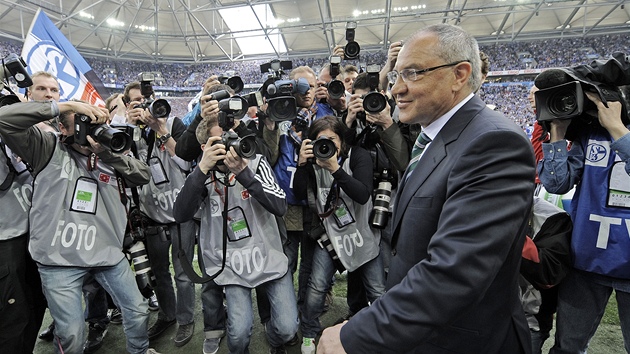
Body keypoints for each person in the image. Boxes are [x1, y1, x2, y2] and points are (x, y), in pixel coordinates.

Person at [317, 23, 535, 354]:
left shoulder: (494, 143)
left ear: (460, 75)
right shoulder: (434, 135)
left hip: (461, 340)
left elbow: (454, 273)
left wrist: (356, 334)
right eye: (395, 77)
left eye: (413, 73)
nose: (395, 90)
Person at [0, 99, 159, 354]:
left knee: (138, 310)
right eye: (85, 121)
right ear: (63, 129)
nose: (95, 127)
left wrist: (108, 154)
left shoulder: (111, 151)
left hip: (106, 252)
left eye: (99, 121)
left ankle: (139, 351)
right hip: (58, 258)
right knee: (72, 334)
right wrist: (65, 106)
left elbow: (143, 175)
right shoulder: (46, 147)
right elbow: (4, 119)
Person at [173, 117, 299, 354]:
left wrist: (243, 173)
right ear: (205, 147)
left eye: (231, 136)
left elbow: (280, 206)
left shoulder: (256, 162)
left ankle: (274, 340)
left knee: (287, 328)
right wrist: (202, 169)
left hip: (267, 255)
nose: (229, 144)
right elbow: (180, 214)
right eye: (220, 140)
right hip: (230, 263)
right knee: (238, 335)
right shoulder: (200, 174)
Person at [540, 88, 630, 353]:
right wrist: (558, 129)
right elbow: (556, 184)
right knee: (568, 347)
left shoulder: (610, 129)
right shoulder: (590, 134)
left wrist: (617, 129)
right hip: (586, 261)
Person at [293, 116, 385, 354]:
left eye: (331, 140)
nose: (326, 145)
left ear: (342, 141)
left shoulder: (357, 156)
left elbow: (362, 194)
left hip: (363, 234)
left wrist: (334, 168)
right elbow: (299, 193)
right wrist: (302, 164)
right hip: (332, 236)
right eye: (320, 141)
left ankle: (384, 335)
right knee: (316, 287)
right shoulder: (313, 161)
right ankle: (310, 333)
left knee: (376, 290)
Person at [122, 80, 199, 347]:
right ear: (127, 106)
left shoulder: (174, 121)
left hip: (180, 213)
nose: (144, 107)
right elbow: (125, 169)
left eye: (147, 100)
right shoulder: (127, 132)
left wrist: (162, 130)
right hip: (151, 215)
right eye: (136, 103)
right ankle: (167, 315)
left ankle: (186, 319)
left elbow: (187, 161)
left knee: (183, 274)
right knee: (160, 273)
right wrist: (131, 127)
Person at [0, 96, 47, 354]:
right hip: (6, 241)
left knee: (35, 305)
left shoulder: (23, 140)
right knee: (12, 319)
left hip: (33, 236)